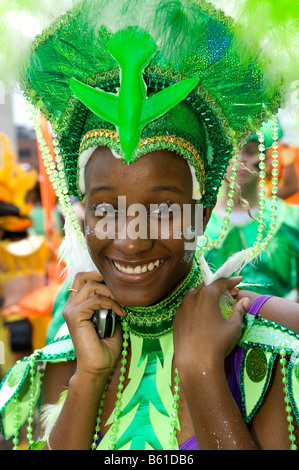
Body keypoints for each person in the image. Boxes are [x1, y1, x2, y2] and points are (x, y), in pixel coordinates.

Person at [0, 0, 299, 451]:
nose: (130, 240)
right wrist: (88, 379)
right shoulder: (52, 368)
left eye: (162, 209)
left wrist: (202, 375)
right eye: (105, 208)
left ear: (201, 214)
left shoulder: (280, 352)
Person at [204, 137, 299, 299]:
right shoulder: (195, 223)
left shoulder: (290, 219)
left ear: (267, 159)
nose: (240, 159)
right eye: (231, 151)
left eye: (250, 151)